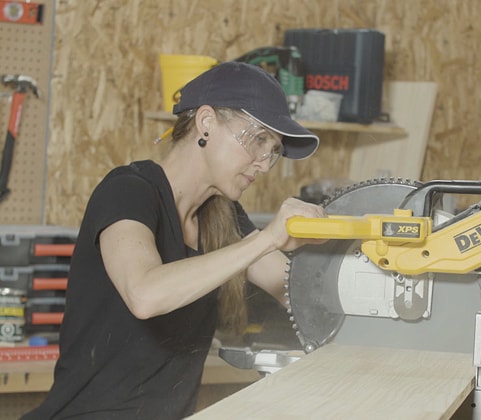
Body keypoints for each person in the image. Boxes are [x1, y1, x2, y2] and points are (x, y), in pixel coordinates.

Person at [22, 62, 326, 419]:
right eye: (258, 140)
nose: (262, 163)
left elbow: (299, 295)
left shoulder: (224, 217)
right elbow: (145, 294)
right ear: (207, 122)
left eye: (271, 151)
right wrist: (267, 239)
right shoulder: (128, 190)